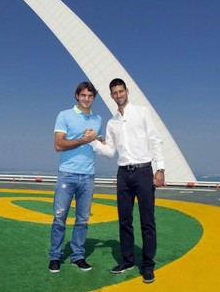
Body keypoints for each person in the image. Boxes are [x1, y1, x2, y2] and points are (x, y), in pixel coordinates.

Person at [88, 78, 165, 284]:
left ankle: (148, 266)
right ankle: (128, 260)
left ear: (127, 92)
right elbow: (110, 151)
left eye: (121, 91)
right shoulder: (112, 123)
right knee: (124, 220)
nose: (118, 95)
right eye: (115, 92)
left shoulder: (142, 112)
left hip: (143, 172)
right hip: (123, 174)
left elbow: (156, 140)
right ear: (111, 95)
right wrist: (93, 142)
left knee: (147, 221)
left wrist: (161, 168)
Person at [48, 81, 102, 273]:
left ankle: (77, 256)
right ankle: (55, 256)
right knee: (59, 218)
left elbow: (99, 142)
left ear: (94, 98)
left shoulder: (98, 119)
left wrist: (98, 139)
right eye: (83, 95)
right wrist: (82, 140)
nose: (86, 99)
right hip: (67, 174)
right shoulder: (64, 115)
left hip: (88, 176)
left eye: (90, 96)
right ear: (76, 96)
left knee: (82, 220)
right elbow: (58, 145)